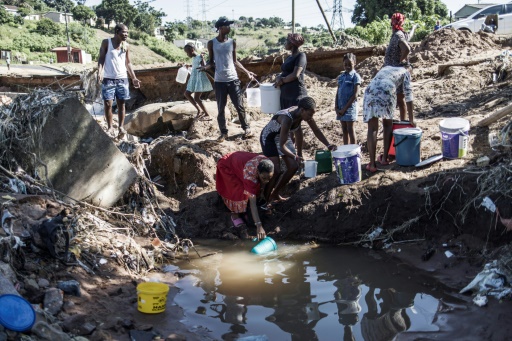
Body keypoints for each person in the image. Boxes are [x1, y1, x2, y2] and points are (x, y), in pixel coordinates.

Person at [260, 96, 336, 204]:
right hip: (270, 138)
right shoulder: (287, 119)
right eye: (310, 114)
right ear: (302, 110)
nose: (311, 117)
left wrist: (328, 145)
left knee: (293, 166)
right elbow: (282, 146)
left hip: (283, 136)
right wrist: (295, 156)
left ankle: (275, 194)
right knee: (275, 171)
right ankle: (265, 200)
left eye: (312, 114)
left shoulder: (303, 113)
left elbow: (314, 130)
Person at [200, 18, 256, 142]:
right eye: (227, 26)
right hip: (219, 81)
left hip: (233, 79)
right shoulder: (211, 43)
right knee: (220, 108)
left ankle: (246, 128)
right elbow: (211, 61)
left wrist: (247, 72)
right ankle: (223, 133)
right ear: (220, 28)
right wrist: (205, 67)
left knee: (239, 106)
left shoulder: (232, 42)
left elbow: (235, 61)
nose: (229, 28)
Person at [363, 63, 414, 173]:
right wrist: (411, 119)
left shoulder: (387, 68)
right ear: (409, 68)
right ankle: (385, 159)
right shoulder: (406, 72)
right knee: (387, 124)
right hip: (387, 89)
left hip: (370, 89)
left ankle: (372, 164)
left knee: (372, 128)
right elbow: (409, 96)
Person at [216, 151, 274, 240]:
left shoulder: (267, 164)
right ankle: (235, 215)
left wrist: (262, 190)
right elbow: (253, 203)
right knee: (239, 192)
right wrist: (259, 226)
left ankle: (245, 211)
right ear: (257, 172)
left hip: (240, 162)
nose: (266, 181)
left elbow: (262, 183)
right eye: (264, 178)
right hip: (228, 165)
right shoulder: (250, 175)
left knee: (253, 189)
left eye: (269, 178)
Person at [97, 23, 141, 139]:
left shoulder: (126, 46)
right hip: (108, 79)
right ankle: (110, 127)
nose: (126, 34)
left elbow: (128, 63)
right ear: (117, 32)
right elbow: (101, 59)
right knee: (108, 103)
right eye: (124, 32)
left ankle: (121, 127)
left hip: (122, 79)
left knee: (121, 103)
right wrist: (99, 72)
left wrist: (134, 78)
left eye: (127, 32)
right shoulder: (106, 42)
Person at [384, 13, 411, 122]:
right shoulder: (398, 34)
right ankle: (399, 121)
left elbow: (406, 49)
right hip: (393, 72)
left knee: (400, 98)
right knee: (397, 98)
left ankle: (403, 122)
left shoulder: (398, 35)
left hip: (396, 72)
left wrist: (399, 61)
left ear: (392, 23)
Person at [274, 33, 307, 109]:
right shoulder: (289, 57)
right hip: (285, 96)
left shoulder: (301, 56)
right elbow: (285, 72)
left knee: (298, 118)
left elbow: (295, 75)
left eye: (286, 41)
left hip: (296, 95)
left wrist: (282, 81)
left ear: (292, 43)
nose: (285, 43)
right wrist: (279, 77)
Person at [335, 53, 361, 145]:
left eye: (350, 64)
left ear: (355, 63)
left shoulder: (355, 76)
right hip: (341, 107)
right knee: (344, 130)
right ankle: (346, 149)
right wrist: (336, 107)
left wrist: (344, 109)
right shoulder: (341, 77)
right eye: (345, 64)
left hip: (349, 108)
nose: (347, 66)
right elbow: (338, 92)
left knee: (350, 129)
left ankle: (354, 150)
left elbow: (355, 95)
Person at [183, 43, 213, 121]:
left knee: (196, 98)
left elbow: (204, 66)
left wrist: (202, 58)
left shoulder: (199, 56)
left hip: (199, 79)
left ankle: (207, 114)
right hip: (194, 79)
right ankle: (199, 110)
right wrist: (189, 66)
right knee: (187, 94)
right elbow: (196, 65)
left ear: (192, 50)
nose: (187, 54)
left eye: (187, 52)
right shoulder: (194, 58)